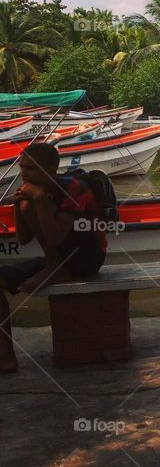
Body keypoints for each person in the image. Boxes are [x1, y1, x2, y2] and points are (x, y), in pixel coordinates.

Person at [1, 144, 108, 373]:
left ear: (51, 170)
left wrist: (38, 201)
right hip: (57, 258)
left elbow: (54, 237)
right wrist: (18, 206)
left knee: (32, 203)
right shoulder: (31, 191)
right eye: (22, 168)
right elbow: (22, 239)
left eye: (31, 169)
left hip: (86, 257)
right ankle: (5, 357)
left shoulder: (73, 188)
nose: (23, 173)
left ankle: (55, 268)